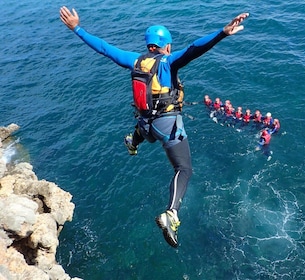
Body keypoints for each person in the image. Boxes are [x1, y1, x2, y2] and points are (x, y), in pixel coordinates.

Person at [59, 6, 249, 248]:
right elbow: (194, 49)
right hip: (167, 126)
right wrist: (222, 32)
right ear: (167, 46)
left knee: (145, 132)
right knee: (184, 169)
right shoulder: (168, 62)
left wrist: (77, 28)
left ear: (148, 45)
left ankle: (132, 141)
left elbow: (104, 48)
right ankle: (171, 213)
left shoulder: (134, 60)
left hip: (145, 124)